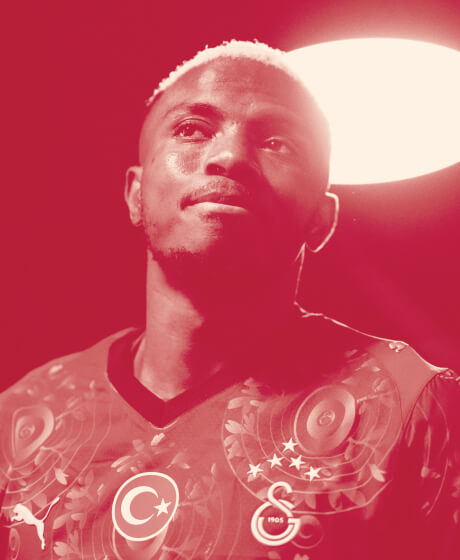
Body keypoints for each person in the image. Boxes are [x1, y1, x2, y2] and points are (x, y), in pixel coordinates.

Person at [0, 40, 459, 560]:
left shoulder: (416, 406)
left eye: (278, 142)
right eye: (192, 129)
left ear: (322, 219)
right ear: (135, 193)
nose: (230, 157)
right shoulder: (18, 422)